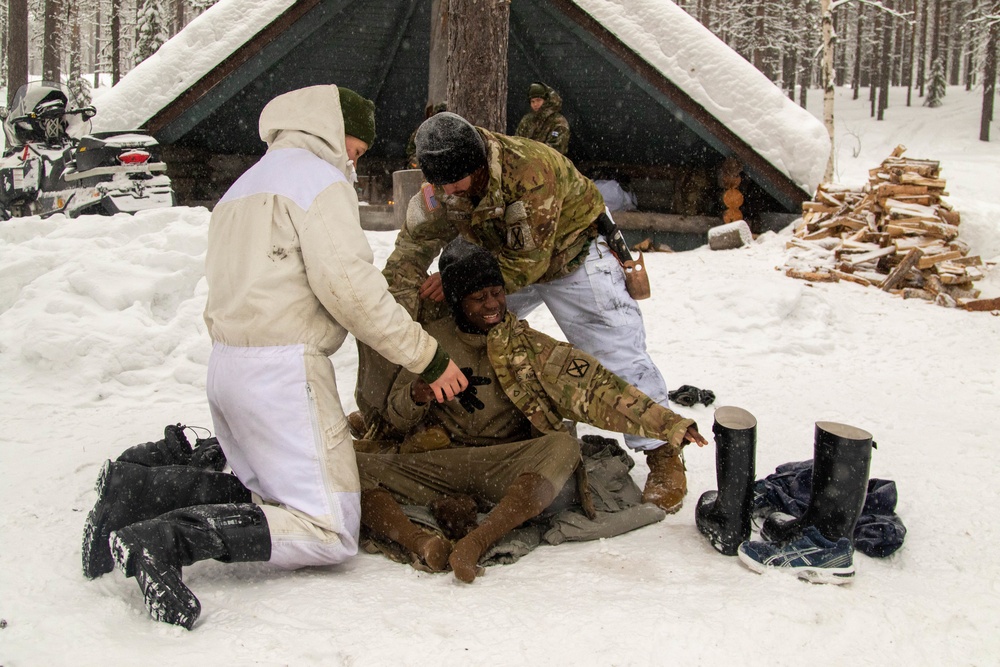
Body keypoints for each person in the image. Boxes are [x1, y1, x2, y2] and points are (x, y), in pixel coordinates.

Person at [80, 85, 468, 630]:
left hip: (228, 366)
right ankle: (165, 541)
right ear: (335, 131)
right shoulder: (318, 182)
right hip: (284, 373)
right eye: (355, 151)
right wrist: (427, 358)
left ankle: (135, 494)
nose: (354, 164)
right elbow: (351, 290)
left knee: (267, 491)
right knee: (330, 526)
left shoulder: (247, 184)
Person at [368, 111, 690, 516]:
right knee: (451, 325)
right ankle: (452, 425)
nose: (449, 191)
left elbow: (527, 266)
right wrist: (390, 310)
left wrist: (457, 286)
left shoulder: (530, 173)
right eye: (441, 184)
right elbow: (413, 245)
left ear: (479, 166)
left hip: (569, 255)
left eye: (457, 182)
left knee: (614, 351)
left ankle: (663, 452)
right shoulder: (444, 182)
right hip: (496, 258)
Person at [356, 239, 707, 583]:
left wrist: (670, 425)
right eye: (479, 298)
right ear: (457, 301)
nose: (492, 305)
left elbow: (598, 389)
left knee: (563, 447)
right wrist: (418, 395)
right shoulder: (429, 342)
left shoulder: (527, 347)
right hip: (443, 463)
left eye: (497, 292)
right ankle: (420, 542)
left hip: (508, 465)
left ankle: (476, 541)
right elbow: (394, 416)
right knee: (349, 466)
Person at [514, 81, 570, 154]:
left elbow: (555, 150)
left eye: (538, 100)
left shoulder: (558, 122)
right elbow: (516, 142)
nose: (535, 104)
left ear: (546, 101)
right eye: (532, 101)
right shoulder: (527, 120)